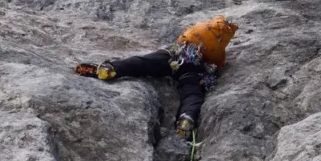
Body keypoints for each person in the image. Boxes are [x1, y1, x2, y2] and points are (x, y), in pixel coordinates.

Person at [76, 16, 239, 138]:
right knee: (192, 93)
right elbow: (216, 63)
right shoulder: (218, 46)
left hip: (174, 55)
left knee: (143, 63)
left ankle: (112, 68)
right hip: (195, 68)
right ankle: (187, 118)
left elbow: (184, 37)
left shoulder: (202, 28)